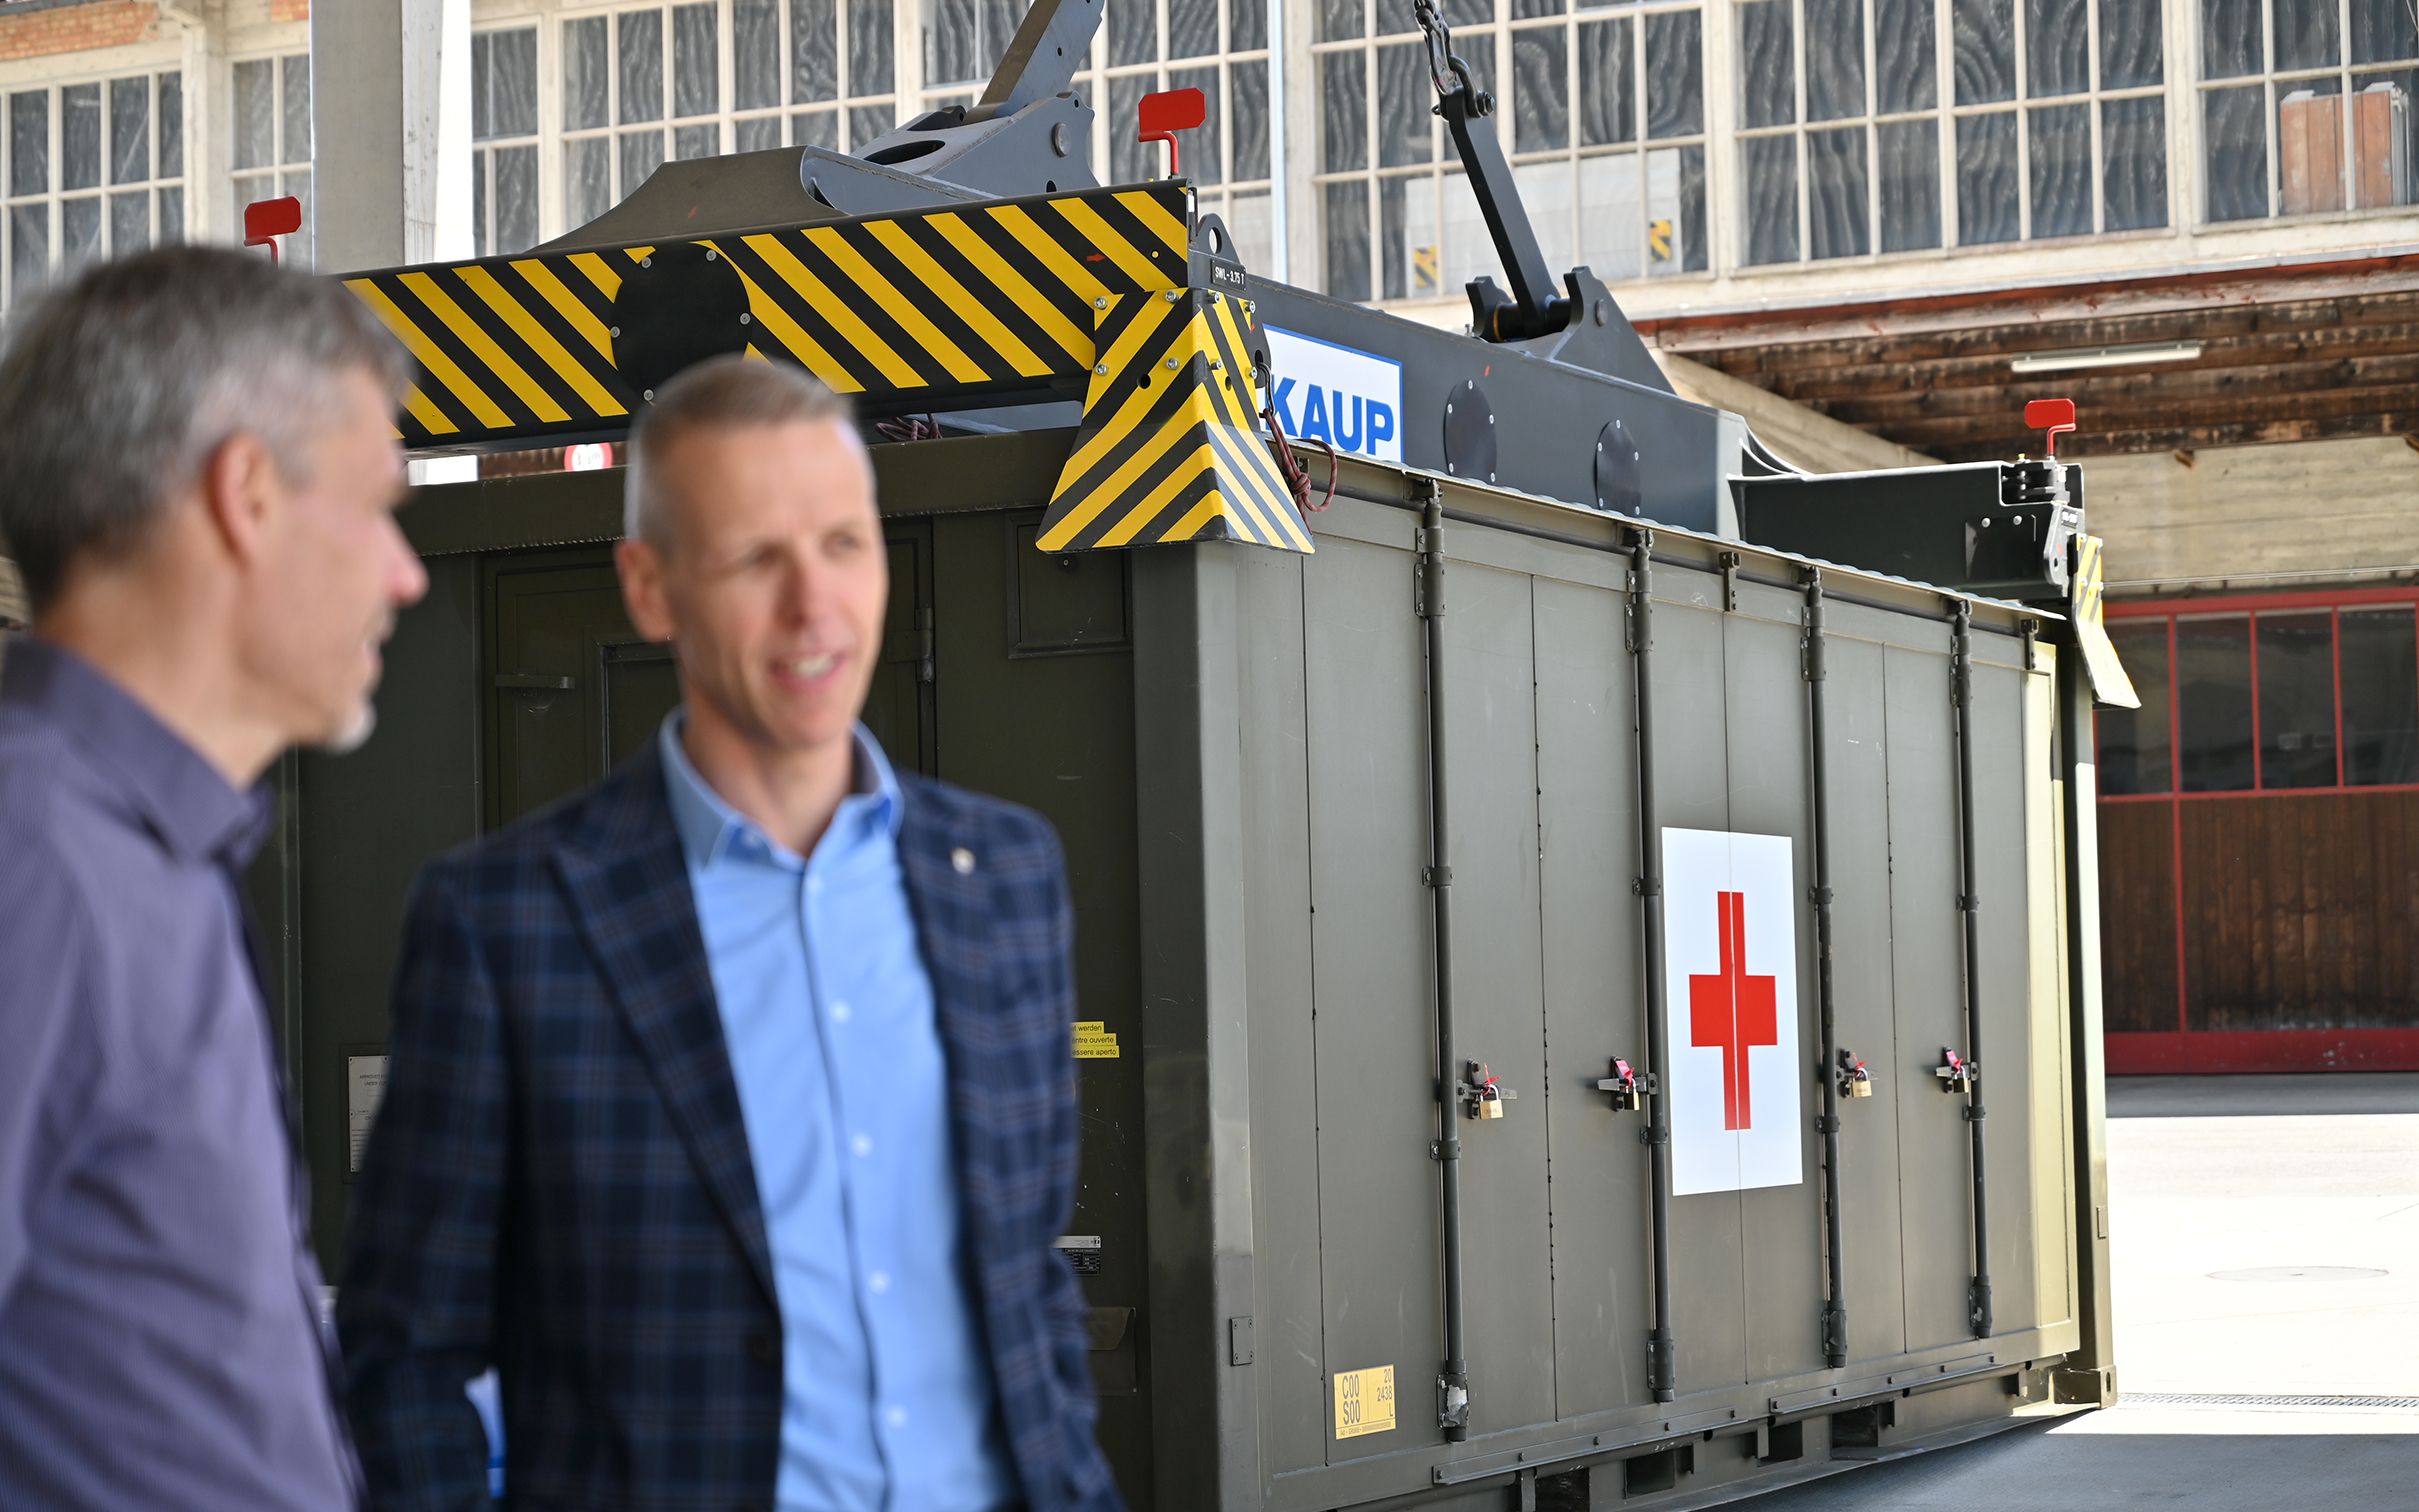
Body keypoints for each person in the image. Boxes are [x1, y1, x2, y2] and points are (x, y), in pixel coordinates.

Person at [341, 356, 1118, 1512]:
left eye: (845, 545)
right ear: (650, 589)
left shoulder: (1002, 877)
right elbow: (404, 1356)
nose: (816, 606)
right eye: (757, 557)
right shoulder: (508, 924)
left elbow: (1025, 1278)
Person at [0, 246, 427, 1508]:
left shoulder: (142, 861)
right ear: (245, 493)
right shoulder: (40, 865)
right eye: (378, 509)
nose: (406, 574)